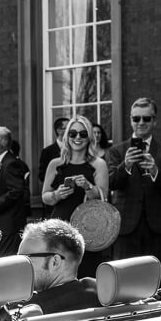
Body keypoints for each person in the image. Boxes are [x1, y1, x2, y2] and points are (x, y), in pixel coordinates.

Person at [105, 97, 161, 265]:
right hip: (125, 227)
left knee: (155, 279)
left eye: (146, 118)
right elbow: (111, 183)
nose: (141, 122)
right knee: (124, 278)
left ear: (155, 121)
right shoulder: (117, 151)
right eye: (136, 118)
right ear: (131, 120)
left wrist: (155, 171)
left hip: (156, 227)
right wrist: (127, 165)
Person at [41, 114, 109, 275]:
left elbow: (103, 197)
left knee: (86, 273)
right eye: (73, 133)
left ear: (89, 137)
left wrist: (88, 186)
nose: (77, 137)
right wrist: (57, 194)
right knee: (58, 274)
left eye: (83, 134)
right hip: (60, 227)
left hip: (88, 229)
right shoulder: (56, 164)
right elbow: (45, 196)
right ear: (67, 136)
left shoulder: (98, 164)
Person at [18, 219, 99, 314]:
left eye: (26, 259)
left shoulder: (24, 312)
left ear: (55, 262)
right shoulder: (106, 296)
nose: (19, 266)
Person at [0, 126, 30, 258]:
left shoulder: (10, 163)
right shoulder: (4, 161)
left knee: (6, 258)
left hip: (10, 224)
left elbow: (16, 191)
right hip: (5, 222)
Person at [37, 116, 69, 183]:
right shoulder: (47, 151)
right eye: (68, 128)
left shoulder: (75, 149)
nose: (71, 131)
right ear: (59, 131)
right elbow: (42, 175)